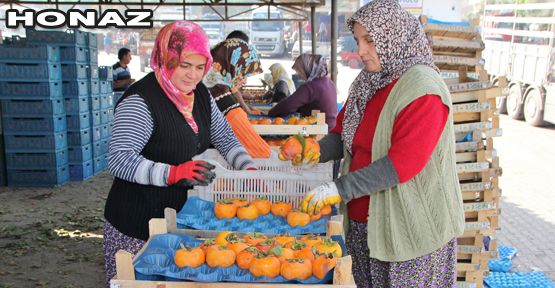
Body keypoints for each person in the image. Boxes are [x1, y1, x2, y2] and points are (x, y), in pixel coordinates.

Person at [293, 1, 465, 287]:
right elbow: (344, 136)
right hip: (365, 228)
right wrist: (314, 150)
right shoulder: (368, 82)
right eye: (358, 41)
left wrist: (338, 188)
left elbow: (402, 165)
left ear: (393, 37)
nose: (361, 51)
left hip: (410, 234)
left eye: (370, 41)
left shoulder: (423, 90)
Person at [103, 21, 257, 286]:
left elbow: (224, 136)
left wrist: (248, 168)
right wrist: (172, 173)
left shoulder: (200, 95)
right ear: (166, 58)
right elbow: (119, 160)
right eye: (184, 65)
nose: (192, 76)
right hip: (135, 224)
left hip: (175, 221)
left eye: (200, 67)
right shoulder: (141, 101)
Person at [203, 38, 272, 159]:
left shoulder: (201, 91)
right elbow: (260, 153)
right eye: (243, 72)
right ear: (231, 66)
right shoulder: (226, 104)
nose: (244, 81)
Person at [267, 53, 337, 131]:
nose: (298, 74)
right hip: (330, 127)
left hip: (320, 131)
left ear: (307, 69)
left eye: (299, 71)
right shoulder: (329, 82)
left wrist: (270, 114)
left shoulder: (311, 86)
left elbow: (288, 105)